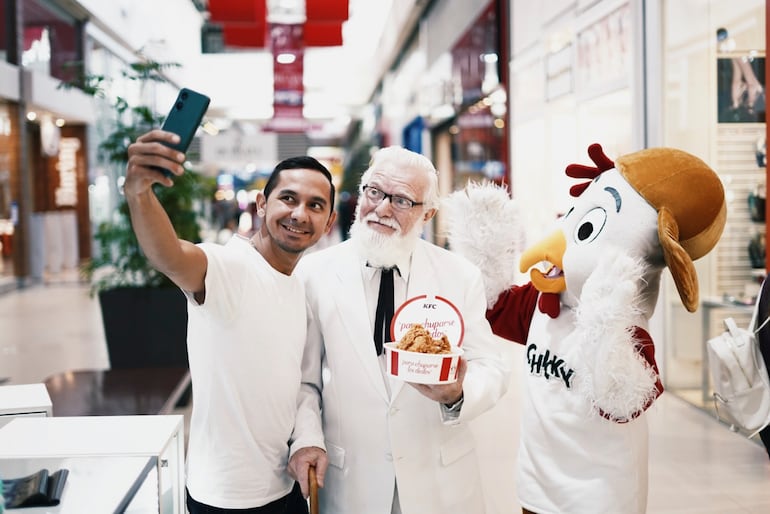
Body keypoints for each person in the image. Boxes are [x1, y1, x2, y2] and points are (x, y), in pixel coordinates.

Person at [287, 146, 511, 514]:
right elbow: (304, 381)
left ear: (428, 214)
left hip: (440, 483)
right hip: (352, 481)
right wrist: (307, 439)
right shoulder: (314, 273)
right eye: (374, 192)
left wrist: (458, 393)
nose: (382, 208)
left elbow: (491, 366)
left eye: (402, 200)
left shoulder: (459, 275)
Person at [124, 129, 337, 513]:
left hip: (283, 485)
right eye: (288, 198)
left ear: (329, 221)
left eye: (315, 205)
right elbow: (170, 256)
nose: (299, 214)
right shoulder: (229, 267)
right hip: (225, 498)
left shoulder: (297, 285)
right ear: (262, 204)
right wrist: (139, 193)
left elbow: (295, 383)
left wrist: (306, 440)